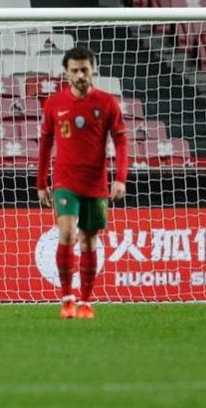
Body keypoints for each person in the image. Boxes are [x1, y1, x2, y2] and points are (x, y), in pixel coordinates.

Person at [37, 46, 129, 320]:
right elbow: (45, 144)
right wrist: (41, 181)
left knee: (89, 241)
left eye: (84, 70)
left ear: (94, 70)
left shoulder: (107, 103)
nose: (80, 75)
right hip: (66, 180)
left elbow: (121, 141)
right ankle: (67, 299)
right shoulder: (54, 104)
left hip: (96, 183)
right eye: (75, 70)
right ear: (66, 73)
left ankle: (86, 301)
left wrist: (120, 178)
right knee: (66, 232)